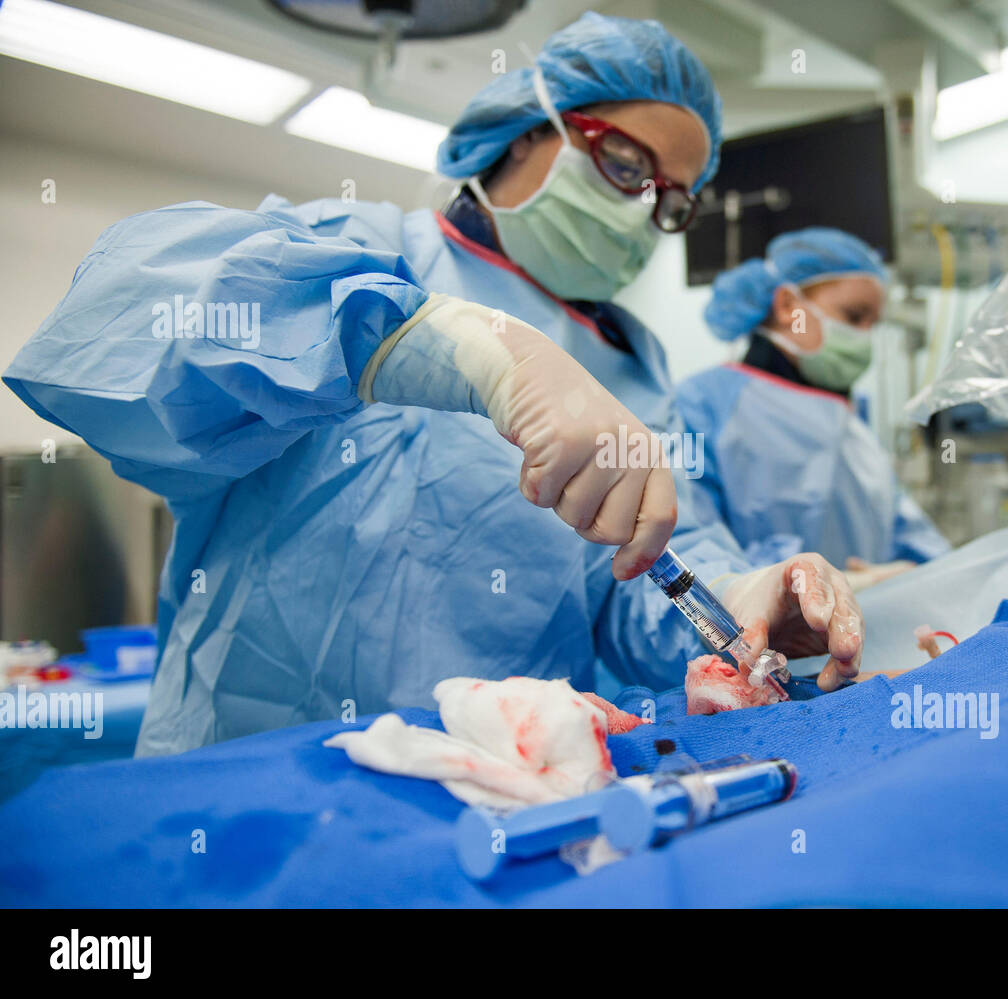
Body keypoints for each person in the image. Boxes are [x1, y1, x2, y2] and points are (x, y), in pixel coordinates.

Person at [4, 14, 864, 757]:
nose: (645, 212)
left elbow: (646, 581)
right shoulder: (365, 253)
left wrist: (741, 600)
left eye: (672, 201)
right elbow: (101, 334)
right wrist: (432, 341)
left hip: (500, 802)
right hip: (252, 789)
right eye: (629, 166)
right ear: (531, 130)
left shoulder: (634, 371)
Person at [675, 228, 950, 581]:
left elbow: (909, 535)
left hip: (868, 628)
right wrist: (784, 592)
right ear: (790, 306)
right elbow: (686, 551)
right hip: (757, 635)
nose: (864, 336)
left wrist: (911, 576)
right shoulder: (701, 407)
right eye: (853, 316)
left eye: (872, 323)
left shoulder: (849, 420)